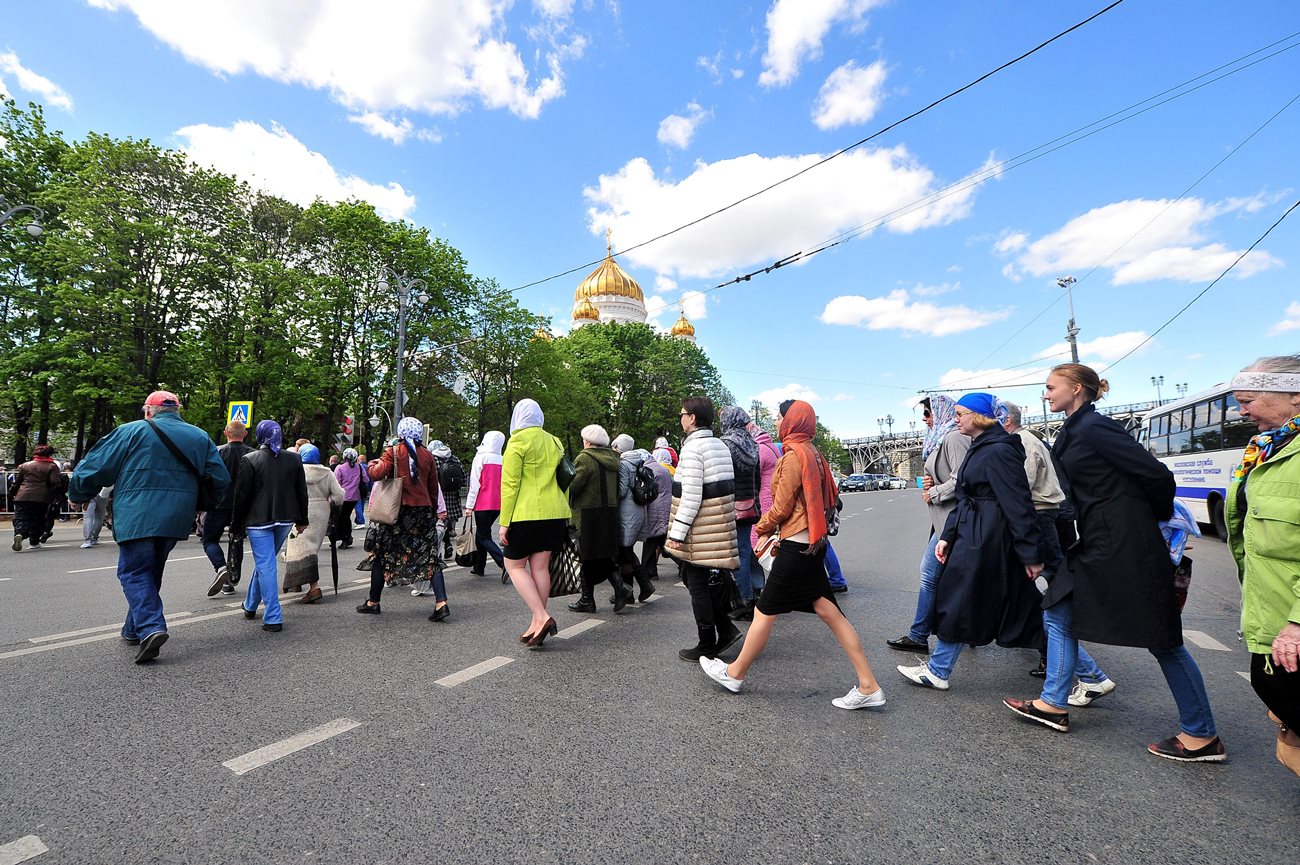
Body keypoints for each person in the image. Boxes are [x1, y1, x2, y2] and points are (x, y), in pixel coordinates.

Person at [1006, 363, 1225, 761]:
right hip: (1100, 542)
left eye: (1051, 387)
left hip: (1125, 545)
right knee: (1056, 610)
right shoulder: (1076, 428)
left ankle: (1201, 734)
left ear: (1076, 389)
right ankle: (1053, 705)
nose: (1045, 394)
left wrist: (1150, 520)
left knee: (1163, 640)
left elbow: (1157, 476)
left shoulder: (1095, 427)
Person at [698, 399, 885, 710]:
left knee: (764, 612)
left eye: (782, 416)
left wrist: (762, 525)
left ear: (791, 421)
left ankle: (735, 673)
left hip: (796, 546)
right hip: (813, 544)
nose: (778, 420)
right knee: (831, 614)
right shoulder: (815, 453)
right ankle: (868, 685)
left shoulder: (792, 456)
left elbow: (782, 507)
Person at [897, 393, 1045, 692]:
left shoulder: (998, 450)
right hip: (976, 534)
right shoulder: (983, 447)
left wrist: (1030, 554)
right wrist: (947, 536)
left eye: (961, 413)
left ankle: (1088, 674)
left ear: (979, 417)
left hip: (990, 539)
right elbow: (965, 496)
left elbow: (1018, 504)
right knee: (971, 603)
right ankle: (938, 670)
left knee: (974, 602)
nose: (955, 418)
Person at [69, 391, 230, 662]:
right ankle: (132, 629)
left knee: (133, 572)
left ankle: (151, 627)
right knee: (150, 570)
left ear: (147, 411)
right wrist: (205, 503)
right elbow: (219, 478)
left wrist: (78, 493)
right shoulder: (199, 436)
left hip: (137, 513)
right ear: (177, 411)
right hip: (177, 515)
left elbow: (96, 466)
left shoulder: (130, 431)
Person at [999, 400, 1116, 705]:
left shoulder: (1021, 442)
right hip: (1041, 519)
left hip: (1037, 519)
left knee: (1053, 598)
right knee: (1048, 598)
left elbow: (1018, 488)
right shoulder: (1026, 440)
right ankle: (1086, 675)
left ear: (1006, 419)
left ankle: (1090, 676)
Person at [1225, 355, 1300, 770]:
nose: (1242, 411)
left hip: (1293, 618)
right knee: (1275, 691)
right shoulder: (1267, 449)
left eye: (1250, 400)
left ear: (1294, 394)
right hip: (1272, 609)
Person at [887, 395, 970, 653]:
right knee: (946, 578)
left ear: (940, 412)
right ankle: (954, 631)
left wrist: (933, 493)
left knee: (931, 574)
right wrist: (931, 483)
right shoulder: (939, 439)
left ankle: (920, 635)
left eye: (927, 413)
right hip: (942, 519)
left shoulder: (953, 438)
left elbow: (962, 480)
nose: (924, 420)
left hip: (952, 519)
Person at [668, 396, 743, 662]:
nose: (680, 418)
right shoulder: (719, 445)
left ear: (693, 418)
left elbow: (690, 496)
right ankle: (724, 629)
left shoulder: (692, 449)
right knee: (697, 579)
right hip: (718, 526)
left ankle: (706, 646)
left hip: (700, 529)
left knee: (697, 583)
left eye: (682, 414)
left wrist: (677, 534)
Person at [357, 418, 448, 621]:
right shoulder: (427, 455)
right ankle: (441, 603)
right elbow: (433, 487)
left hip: (399, 510)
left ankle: (373, 602)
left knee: (382, 553)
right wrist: (432, 512)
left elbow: (376, 473)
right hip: (423, 511)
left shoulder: (394, 451)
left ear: (400, 432)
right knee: (429, 556)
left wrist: (372, 463)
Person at [498, 399, 572, 647]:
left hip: (525, 513)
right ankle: (536, 623)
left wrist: (504, 521)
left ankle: (542, 617)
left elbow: (510, 485)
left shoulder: (517, 442)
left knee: (514, 566)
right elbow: (565, 477)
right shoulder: (554, 441)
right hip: (555, 513)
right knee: (540, 568)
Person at [229, 420, 307, 632]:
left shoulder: (250, 459)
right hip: (285, 519)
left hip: (258, 521)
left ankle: (273, 616)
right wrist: (302, 520)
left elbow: (241, 497)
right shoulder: (294, 458)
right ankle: (250, 604)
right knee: (266, 563)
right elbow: (301, 491)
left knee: (265, 565)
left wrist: (236, 526)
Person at [566, 425, 623, 613]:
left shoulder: (585, 458)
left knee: (586, 557)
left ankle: (588, 600)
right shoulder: (614, 459)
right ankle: (619, 587)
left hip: (588, 515)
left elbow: (573, 487)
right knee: (603, 556)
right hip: (609, 512)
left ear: (588, 442)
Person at [282, 443, 345, 603]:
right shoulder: (327, 472)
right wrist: (330, 504)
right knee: (310, 548)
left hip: (300, 511)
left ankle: (313, 587)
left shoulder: (296, 470)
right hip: (321, 511)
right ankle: (296, 582)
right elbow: (339, 496)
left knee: (299, 547)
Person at [201, 421, 254, 595]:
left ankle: (221, 567)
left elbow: (206, 477)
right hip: (243, 506)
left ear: (225, 433)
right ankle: (230, 580)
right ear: (244, 434)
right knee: (236, 541)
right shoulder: (254, 455)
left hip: (218, 504)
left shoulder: (216, 452)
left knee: (209, 540)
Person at [720, 406, 762, 617]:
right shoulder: (752, 443)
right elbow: (758, 479)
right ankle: (754, 592)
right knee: (745, 551)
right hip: (749, 506)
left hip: (731, 506)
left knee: (733, 555)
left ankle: (742, 599)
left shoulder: (725, 444)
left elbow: (724, 478)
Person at [612, 434, 656, 604]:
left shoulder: (623, 464)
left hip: (626, 511)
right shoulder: (638, 460)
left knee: (625, 551)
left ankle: (643, 586)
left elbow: (622, 491)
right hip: (638, 509)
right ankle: (629, 591)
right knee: (626, 551)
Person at [464, 430, 507, 578]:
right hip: (498, 503)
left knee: (483, 537)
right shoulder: (503, 459)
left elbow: (475, 483)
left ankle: (504, 563)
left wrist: (469, 506)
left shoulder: (481, 457)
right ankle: (479, 567)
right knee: (482, 534)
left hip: (483, 503)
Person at [11, 445, 63, 551]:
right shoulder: (52, 466)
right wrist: (57, 495)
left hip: (22, 496)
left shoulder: (25, 465)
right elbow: (55, 483)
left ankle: (20, 533)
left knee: (21, 517)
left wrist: (11, 494)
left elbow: (17, 483)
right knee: (38, 519)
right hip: (41, 498)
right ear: (49, 454)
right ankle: (34, 542)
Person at [639, 455, 673, 580]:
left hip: (654, 507)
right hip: (666, 505)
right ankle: (649, 571)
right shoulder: (663, 469)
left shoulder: (647, 469)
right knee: (659, 539)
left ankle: (649, 571)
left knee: (654, 539)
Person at [430, 439, 465, 559]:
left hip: (439, 496)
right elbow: (463, 477)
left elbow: (430, 479)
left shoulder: (433, 459)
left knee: (438, 523)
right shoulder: (454, 459)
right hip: (453, 496)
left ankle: (440, 549)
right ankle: (448, 543)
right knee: (445, 521)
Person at [333, 448, 367, 549]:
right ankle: (346, 537)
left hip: (343, 497)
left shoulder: (340, 468)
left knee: (342, 518)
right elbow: (366, 479)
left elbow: (336, 483)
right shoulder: (360, 467)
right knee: (346, 517)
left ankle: (345, 537)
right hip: (355, 497)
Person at [81, 484, 111, 549]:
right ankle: (94, 537)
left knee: (88, 517)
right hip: (103, 491)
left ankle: (88, 540)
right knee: (99, 517)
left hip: (88, 492)